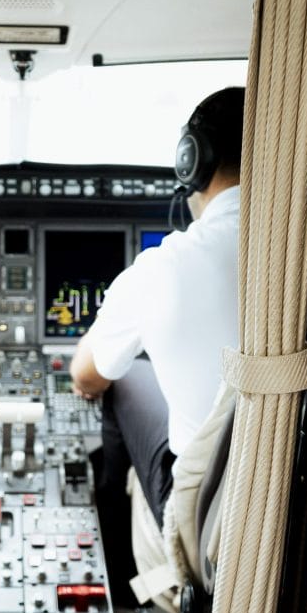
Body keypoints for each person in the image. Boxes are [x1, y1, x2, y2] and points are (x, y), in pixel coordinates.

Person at [71, 86, 244, 530]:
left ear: (193, 162)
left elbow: (87, 376)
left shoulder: (164, 266)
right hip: (302, 491)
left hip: (206, 507)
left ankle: (111, 529)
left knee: (121, 372)